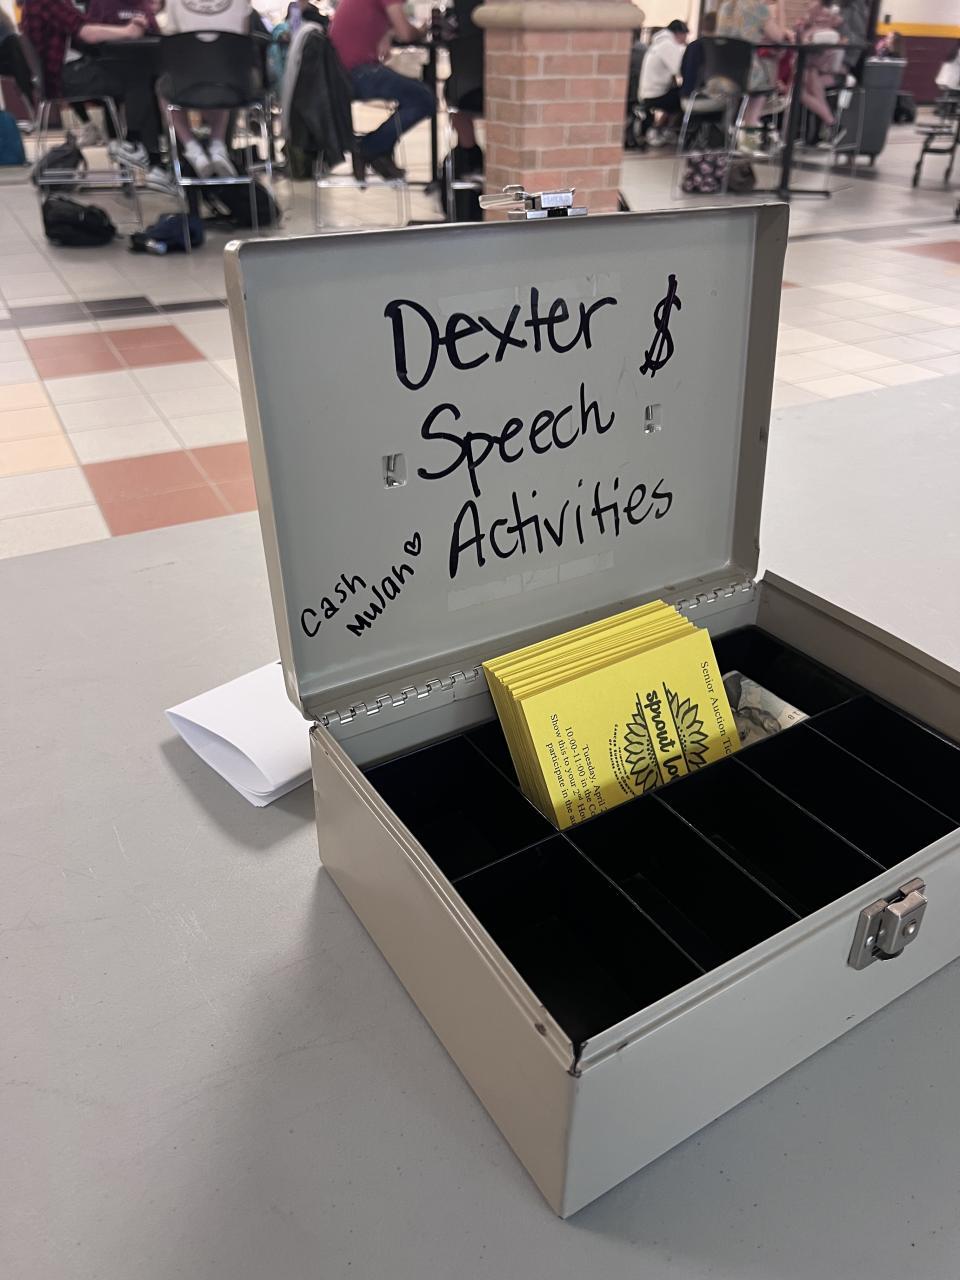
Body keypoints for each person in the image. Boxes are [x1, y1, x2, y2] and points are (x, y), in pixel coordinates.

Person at [329, 0, 435, 180]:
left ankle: (379, 152)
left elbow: (394, 28)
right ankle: (370, 149)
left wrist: (388, 32)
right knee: (425, 99)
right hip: (356, 74)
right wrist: (423, 30)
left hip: (339, 74)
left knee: (416, 95)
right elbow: (406, 33)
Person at [160, 0, 252, 179]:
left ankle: (192, 149)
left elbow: (170, 39)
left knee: (163, 88)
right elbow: (244, 36)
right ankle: (218, 145)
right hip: (232, 86)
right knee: (223, 72)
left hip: (188, 86)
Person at [715, 0, 792, 147]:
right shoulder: (758, 8)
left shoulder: (726, 5)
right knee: (762, 87)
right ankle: (748, 140)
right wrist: (781, 7)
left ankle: (734, 135)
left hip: (720, 71)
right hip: (745, 71)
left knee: (756, 82)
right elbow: (780, 38)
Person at [638, 20, 688, 146]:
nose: (686, 39)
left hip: (649, 92)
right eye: (685, 35)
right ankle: (660, 130)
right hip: (655, 94)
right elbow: (679, 69)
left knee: (678, 94)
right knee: (686, 97)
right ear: (679, 33)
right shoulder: (667, 45)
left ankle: (662, 129)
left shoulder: (659, 43)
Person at [680, 10, 717, 102]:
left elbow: (682, 71)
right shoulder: (718, 48)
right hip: (707, 99)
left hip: (686, 99)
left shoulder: (691, 46)